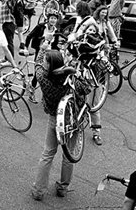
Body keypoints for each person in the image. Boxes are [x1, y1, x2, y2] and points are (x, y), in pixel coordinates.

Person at [32, 50, 75, 200]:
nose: (43, 63)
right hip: (72, 118)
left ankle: (38, 190)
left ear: (49, 65)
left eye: (45, 61)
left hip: (54, 117)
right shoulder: (69, 77)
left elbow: (37, 64)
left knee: (48, 154)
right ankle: (63, 187)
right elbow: (86, 88)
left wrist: (44, 46)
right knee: (68, 155)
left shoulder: (43, 77)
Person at [76, 5, 118, 146]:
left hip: (95, 82)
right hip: (81, 82)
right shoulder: (81, 49)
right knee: (79, 104)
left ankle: (96, 133)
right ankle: (78, 125)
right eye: (89, 30)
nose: (91, 32)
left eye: (93, 31)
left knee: (94, 106)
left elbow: (108, 68)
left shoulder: (98, 55)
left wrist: (110, 46)